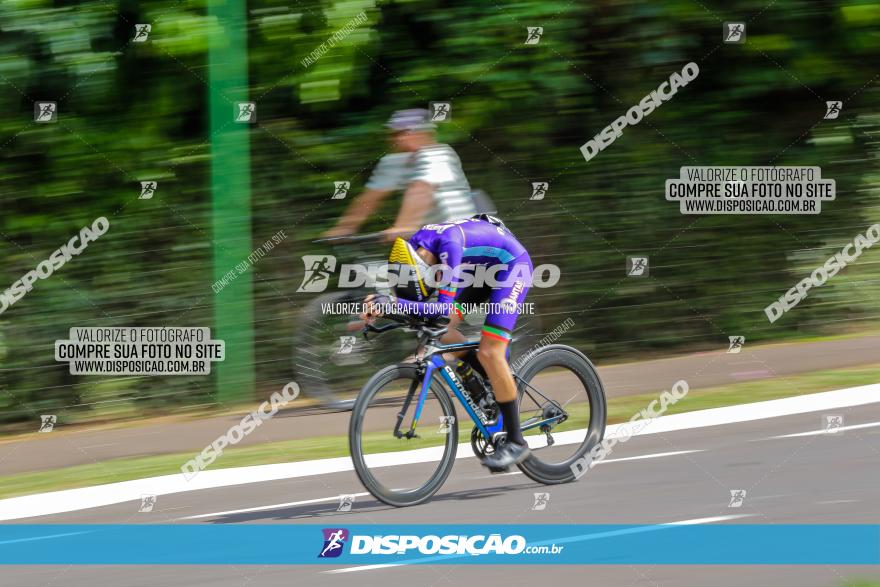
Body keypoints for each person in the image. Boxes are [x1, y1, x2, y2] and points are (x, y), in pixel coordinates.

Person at [361, 215, 533, 471]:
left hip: (512, 267)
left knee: (490, 352)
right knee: (438, 330)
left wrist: (393, 304)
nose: (435, 281)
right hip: (481, 270)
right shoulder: (418, 247)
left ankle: (517, 442)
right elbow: (431, 315)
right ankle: (487, 381)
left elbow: (440, 308)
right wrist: (385, 310)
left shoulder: (449, 247)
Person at [323, 109, 477, 242]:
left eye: (409, 132)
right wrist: (346, 227)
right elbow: (370, 197)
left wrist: (404, 225)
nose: (401, 138)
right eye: (396, 133)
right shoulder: (393, 162)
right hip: (427, 238)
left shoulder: (440, 154)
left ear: (427, 133)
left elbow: (421, 190)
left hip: (463, 234)